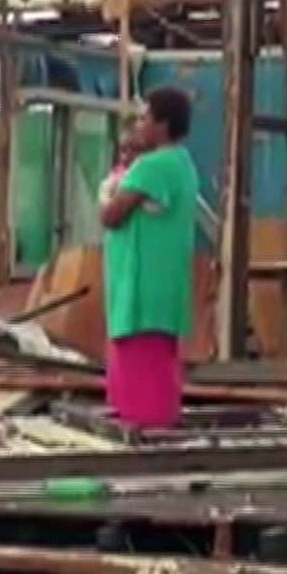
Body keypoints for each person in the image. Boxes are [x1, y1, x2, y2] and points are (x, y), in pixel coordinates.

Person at [99, 87, 198, 429]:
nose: (139, 126)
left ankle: (141, 438)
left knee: (137, 394)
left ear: (163, 124)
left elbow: (111, 215)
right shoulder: (183, 164)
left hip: (139, 294)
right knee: (160, 374)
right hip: (165, 289)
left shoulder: (151, 167)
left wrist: (108, 193)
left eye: (145, 118)